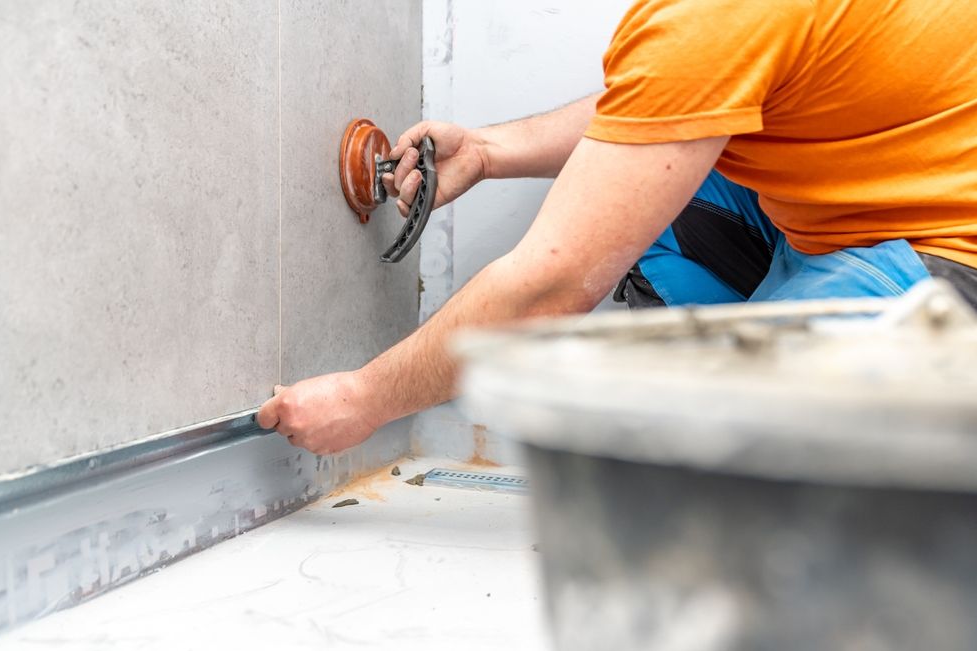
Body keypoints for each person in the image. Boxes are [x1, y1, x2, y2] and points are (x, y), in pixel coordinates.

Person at [257, 0, 977, 452]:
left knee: (739, 492)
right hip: (867, 210)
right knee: (653, 201)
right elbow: (672, 102)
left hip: (951, 273)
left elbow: (553, 284)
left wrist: (363, 400)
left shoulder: (713, 15)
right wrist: (488, 150)